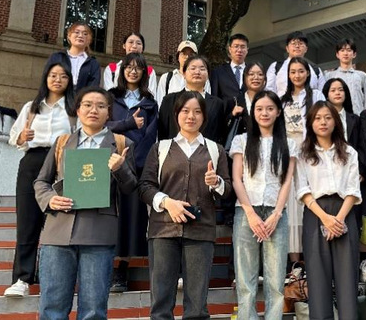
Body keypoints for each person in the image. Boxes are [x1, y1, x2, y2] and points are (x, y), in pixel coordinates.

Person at [33, 87, 138, 319]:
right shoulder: (62, 142)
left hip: (98, 235)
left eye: (101, 106)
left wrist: (120, 169)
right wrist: (50, 199)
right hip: (58, 233)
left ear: (109, 112)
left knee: (93, 310)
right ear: (78, 110)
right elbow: (41, 181)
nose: (94, 110)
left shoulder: (122, 143)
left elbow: (131, 188)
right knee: (51, 308)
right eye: (88, 105)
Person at [139, 91, 233, 320]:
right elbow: (145, 186)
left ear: (204, 117)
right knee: (161, 302)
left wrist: (216, 182)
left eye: (197, 112)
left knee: (197, 305)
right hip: (163, 230)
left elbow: (227, 189)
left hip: (201, 231)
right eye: (185, 111)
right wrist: (167, 202)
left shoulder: (215, 150)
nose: (191, 116)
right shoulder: (161, 148)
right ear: (176, 114)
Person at [4, 61, 76, 298]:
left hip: (61, 162)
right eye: (53, 75)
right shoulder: (32, 107)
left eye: (63, 76)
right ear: (46, 78)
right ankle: (22, 278)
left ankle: (57, 277)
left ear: (69, 81)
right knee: (28, 220)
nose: (57, 80)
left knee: (59, 220)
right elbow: (13, 137)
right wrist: (21, 137)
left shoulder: (73, 109)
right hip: (32, 161)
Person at [230, 90, 296, 320]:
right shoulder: (241, 141)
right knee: (245, 279)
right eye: (259, 109)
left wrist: (276, 214)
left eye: (270, 108)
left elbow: (287, 181)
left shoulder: (289, 144)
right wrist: (250, 213)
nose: (264, 113)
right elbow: (236, 179)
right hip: (245, 212)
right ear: (253, 112)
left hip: (276, 213)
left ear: (278, 112)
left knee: (276, 281)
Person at [297, 101, 361, 320]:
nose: (322, 122)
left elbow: (353, 189)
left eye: (327, 117)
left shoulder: (349, 152)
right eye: (317, 118)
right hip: (315, 214)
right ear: (310, 123)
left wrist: (338, 220)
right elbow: (303, 189)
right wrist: (325, 219)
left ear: (335, 121)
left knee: (347, 281)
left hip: (344, 213)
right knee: (318, 281)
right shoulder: (303, 153)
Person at [106, 53, 159, 292]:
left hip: (135, 166)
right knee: (109, 214)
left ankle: (122, 268)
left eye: (138, 67)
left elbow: (150, 135)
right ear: (122, 70)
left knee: (129, 217)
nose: (133, 71)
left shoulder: (150, 102)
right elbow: (103, 126)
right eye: (129, 66)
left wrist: (134, 161)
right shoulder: (111, 97)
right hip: (109, 162)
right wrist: (127, 125)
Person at [323, 77, 366, 281]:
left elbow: (362, 146)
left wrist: (361, 171)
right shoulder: (322, 119)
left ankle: (364, 260)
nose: (337, 93)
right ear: (326, 94)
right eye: (333, 90)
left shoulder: (355, 119)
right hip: (329, 178)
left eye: (341, 90)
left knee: (360, 216)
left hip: (354, 176)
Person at [280, 57, 325, 263]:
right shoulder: (282, 99)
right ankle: (295, 262)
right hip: (289, 154)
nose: (297, 75)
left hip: (311, 152)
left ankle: (312, 257)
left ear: (307, 73)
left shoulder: (316, 95)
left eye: (301, 71)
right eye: (293, 72)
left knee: (310, 198)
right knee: (291, 205)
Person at [158, 55, 226, 144]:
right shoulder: (169, 100)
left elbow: (219, 133)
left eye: (202, 69)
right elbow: (162, 132)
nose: (197, 72)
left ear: (208, 75)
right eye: (193, 68)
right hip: (174, 150)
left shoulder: (217, 104)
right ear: (184, 73)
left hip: (206, 151)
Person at [46, 22, 101, 93]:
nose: (80, 36)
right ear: (69, 36)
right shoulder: (57, 57)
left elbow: (93, 87)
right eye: (77, 32)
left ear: (89, 40)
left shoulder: (93, 63)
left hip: (81, 98)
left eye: (85, 34)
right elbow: (47, 80)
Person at [266, 31, 326, 96]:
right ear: (287, 48)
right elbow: (268, 90)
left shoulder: (316, 70)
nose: (297, 46)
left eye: (300, 43)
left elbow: (322, 93)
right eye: (293, 43)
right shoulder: (276, 66)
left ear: (306, 49)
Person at [325, 38, 366, 115]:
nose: (345, 53)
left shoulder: (362, 76)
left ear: (354, 54)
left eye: (349, 50)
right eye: (342, 50)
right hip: (337, 116)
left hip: (358, 116)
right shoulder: (329, 76)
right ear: (337, 54)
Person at [228, 62, 266, 137]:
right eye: (251, 74)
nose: (256, 77)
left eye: (260, 74)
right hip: (241, 142)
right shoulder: (235, 101)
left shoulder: (271, 101)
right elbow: (224, 127)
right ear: (244, 78)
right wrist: (232, 115)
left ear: (265, 79)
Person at [210, 33, 249, 102]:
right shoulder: (218, 72)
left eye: (243, 47)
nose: (239, 50)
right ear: (230, 49)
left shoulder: (252, 70)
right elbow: (215, 97)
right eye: (236, 46)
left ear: (247, 50)